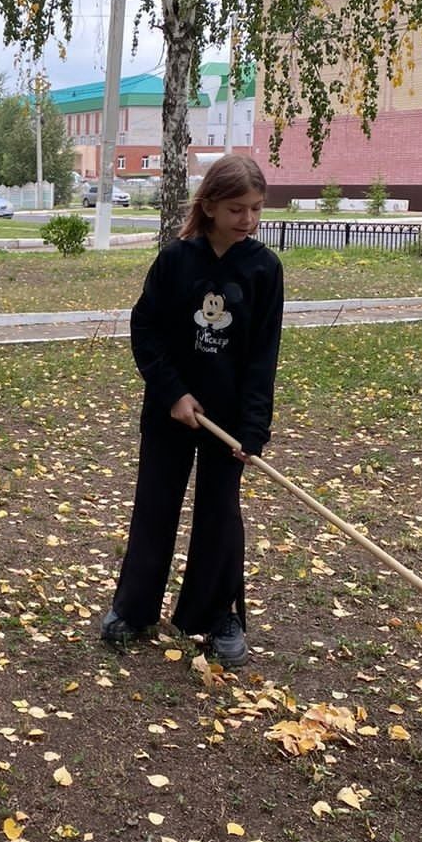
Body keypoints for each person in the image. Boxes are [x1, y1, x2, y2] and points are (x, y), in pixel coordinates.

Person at [102, 155, 284, 668]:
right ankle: (133, 610)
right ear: (207, 206)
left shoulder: (263, 269)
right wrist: (173, 393)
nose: (248, 219)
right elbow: (146, 331)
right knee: (155, 506)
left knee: (220, 515)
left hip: (227, 421)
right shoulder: (176, 261)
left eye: (255, 209)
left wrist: (253, 428)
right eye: (236, 209)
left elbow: (262, 356)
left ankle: (217, 614)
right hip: (170, 411)